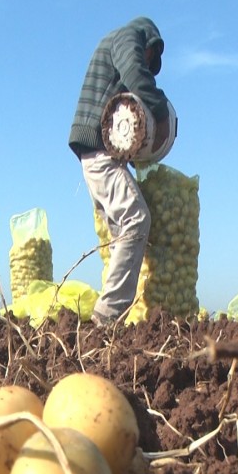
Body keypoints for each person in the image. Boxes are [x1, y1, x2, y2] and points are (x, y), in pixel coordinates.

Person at [68, 16, 170, 326]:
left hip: (96, 152)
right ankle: (108, 317)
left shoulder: (114, 40)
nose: (148, 64)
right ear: (150, 44)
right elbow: (135, 74)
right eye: (150, 59)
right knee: (137, 219)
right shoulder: (128, 37)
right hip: (99, 151)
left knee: (119, 234)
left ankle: (111, 318)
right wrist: (160, 109)